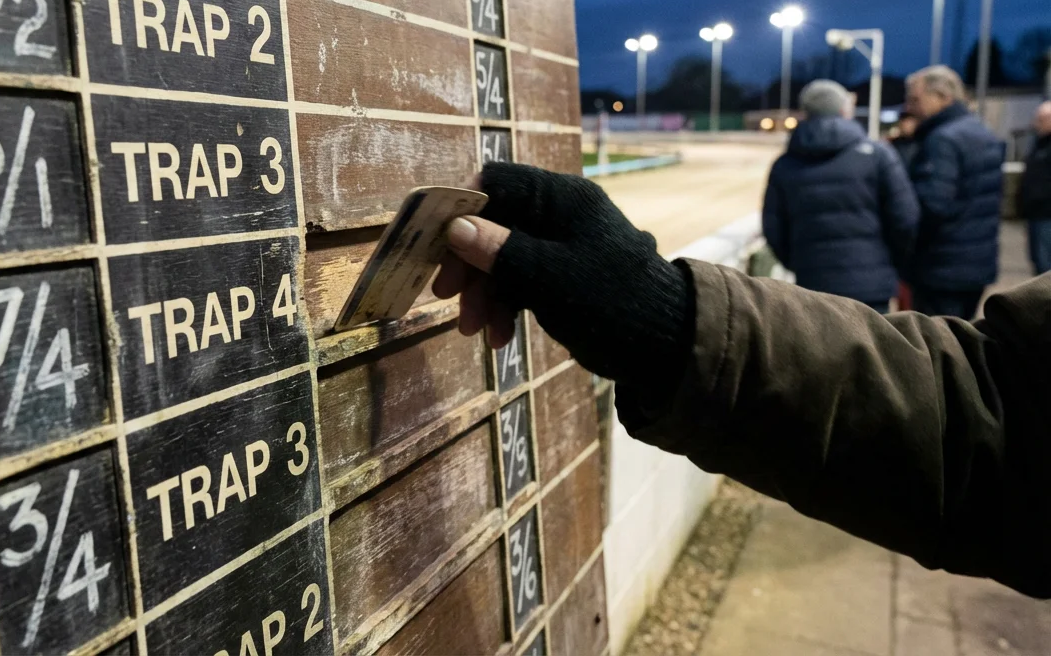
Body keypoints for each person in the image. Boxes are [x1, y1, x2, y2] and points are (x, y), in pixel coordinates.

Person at [436, 162, 1051, 599]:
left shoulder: (792, 162)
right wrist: (666, 318)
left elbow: (986, 418)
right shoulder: (887, 160)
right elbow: (1000, 418)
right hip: (881, 284)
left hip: (823, 283)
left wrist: (668, 318)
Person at [762, 80, 918, 312]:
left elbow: (773, 228)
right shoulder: (878, 155)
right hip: (871, 287)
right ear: (844, 110)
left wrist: (800, 263)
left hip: (812, 285)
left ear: (806, 112)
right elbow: (906, 218)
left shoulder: (784, 165)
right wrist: (889, 262)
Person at [903, 66, 1006, 319]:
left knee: (937, 348)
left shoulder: (943, 140)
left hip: (943, 267)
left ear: (942, 97)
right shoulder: (981, 131)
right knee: (961, 339)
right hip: (975, 263)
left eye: (916, 99)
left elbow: (933, 205)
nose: (910, 107)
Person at [1020, 101, 1051, 275]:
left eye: (1041, 119)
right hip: (1036, 213)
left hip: (1046, 214)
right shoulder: (1040, 143)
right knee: (1039, 262)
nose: (1035, 124)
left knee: (1045, 267)